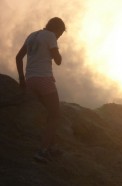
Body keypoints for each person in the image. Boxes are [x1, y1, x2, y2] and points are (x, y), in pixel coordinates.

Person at [16, 17, 66, 163]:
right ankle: (42, 151)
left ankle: (51, 146)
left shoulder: (32, 35)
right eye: (60, 34)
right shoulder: (50, 36)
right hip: (44, 80)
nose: (59, 37)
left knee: (50, 113)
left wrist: (21, 79)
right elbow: (58, 61)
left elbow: (18, 57)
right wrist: (56, 50)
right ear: (57, 29)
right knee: (55, 115)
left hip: (30, 80)